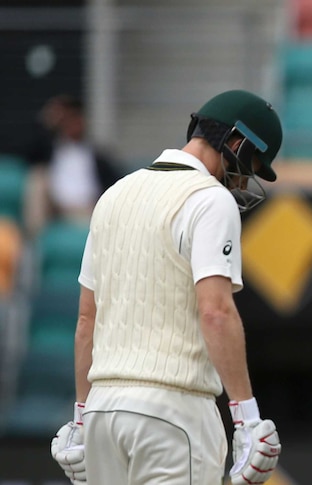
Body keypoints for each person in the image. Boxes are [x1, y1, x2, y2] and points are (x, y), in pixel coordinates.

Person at [50, 89, 284, 484]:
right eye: (252, 165)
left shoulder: (113, 195)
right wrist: (247, 418)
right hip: (174, 415)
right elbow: (216, 311)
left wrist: (80, 417)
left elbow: (87, 320)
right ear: (237, 143)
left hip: (104, 413)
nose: (244, 180)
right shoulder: (210, 199)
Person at [24, 95, 123, 233]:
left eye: (76, 119)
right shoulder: (51, 149)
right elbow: (28, 154)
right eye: (68, 120)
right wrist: (47, 121)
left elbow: (115, 181)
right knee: (38, 179)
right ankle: (34, 244)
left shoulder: (96, 155)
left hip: (87, 208)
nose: (73, 125)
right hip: (55, 209)